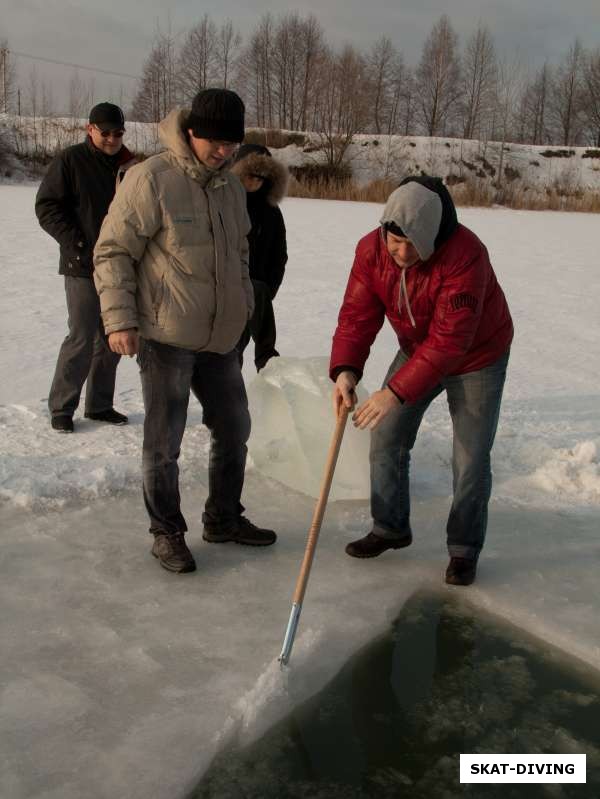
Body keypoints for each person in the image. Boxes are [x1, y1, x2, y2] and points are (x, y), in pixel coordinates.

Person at [93, 89, 277, 575]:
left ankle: (223, 517)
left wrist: (245, 307)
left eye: (231, 143)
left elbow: (240, 254)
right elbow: (112, 252)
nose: (223, 151)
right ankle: (166, 532)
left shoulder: (232, 187)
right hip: (166, 334)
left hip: (220, 338)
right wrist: (121, 320)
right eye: (215, 141)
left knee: (235, 427)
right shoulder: (151, 178)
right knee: (164, 440)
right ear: (190, 131)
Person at [330, 176, 513, 586]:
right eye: (394, 241)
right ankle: (390, 527)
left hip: (477, 356)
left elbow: (451, 342)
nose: (400, 252)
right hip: (417, 348)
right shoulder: (370, 251)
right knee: (386, 436)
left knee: (469, 456)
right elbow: (357, 316)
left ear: (432, 234)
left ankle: (464, 549)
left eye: (411, 243)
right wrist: (346, 369)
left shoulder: (466, 255)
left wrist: (394, 392)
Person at [35, 102, 135, 433]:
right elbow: (47, 207)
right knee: (81, 336)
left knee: (112, 337)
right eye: (105, 132)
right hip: (81, 265)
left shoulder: (129, 165)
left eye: (117, 133)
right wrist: (77, 244)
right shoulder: (70, 161)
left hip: (119, 266)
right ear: (89, 129)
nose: (111, 139)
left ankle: (100, 404)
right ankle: (62, 407)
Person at [230, 144, 288, 371]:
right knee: (230, 351)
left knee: (260, 346)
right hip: (228, 292)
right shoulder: (226, 204)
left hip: (257, 295)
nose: (255, 181)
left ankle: (268, 367)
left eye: (261, 177)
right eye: (250, 175)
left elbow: (279, 255)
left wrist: (268, 289)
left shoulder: (271, 211)